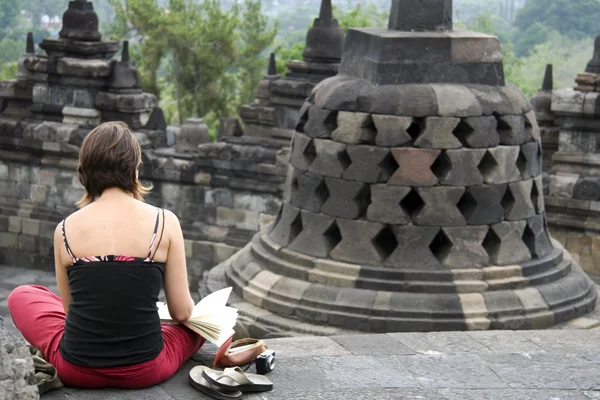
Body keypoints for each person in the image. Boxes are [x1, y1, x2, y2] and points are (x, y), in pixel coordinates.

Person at [8, 121, 204, 389]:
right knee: (196, 325)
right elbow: (181, 312)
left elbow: (69, 311)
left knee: (21, 296)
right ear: (134, 168)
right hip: (147, 368)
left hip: (76, 368)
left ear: (85, 172)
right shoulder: (164, 221)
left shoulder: (64, 229)